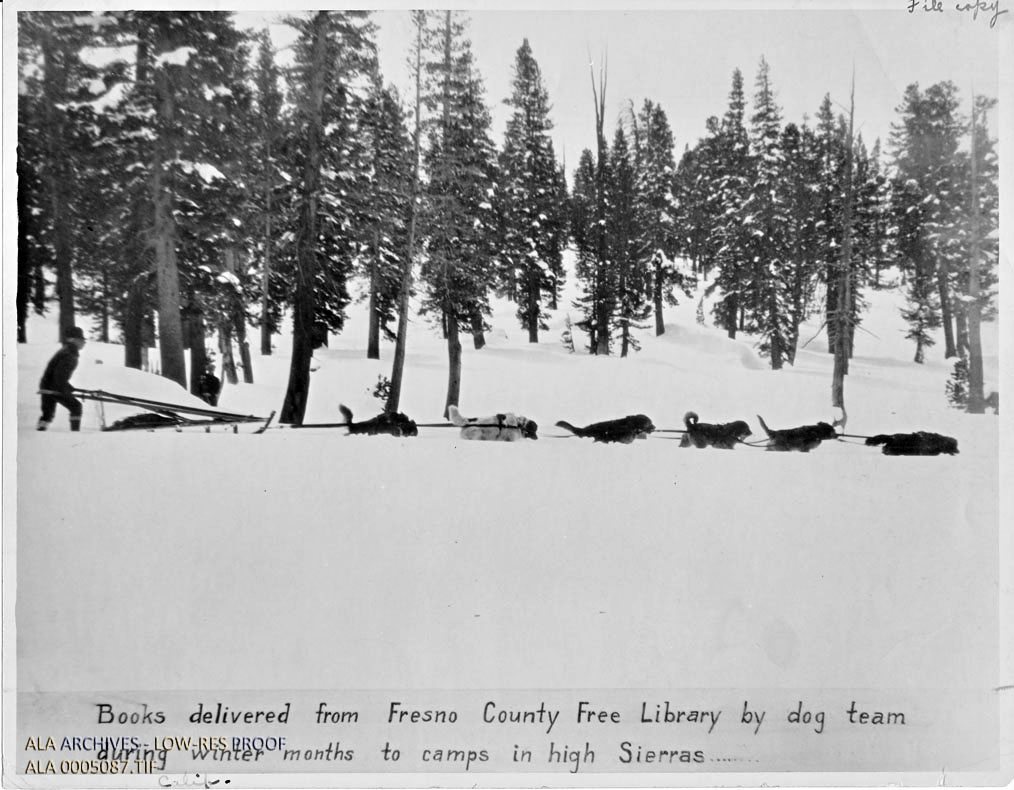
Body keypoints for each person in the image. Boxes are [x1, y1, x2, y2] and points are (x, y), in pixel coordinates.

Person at [38, 326, 86, 431]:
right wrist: (64, 390)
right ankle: (75, 434)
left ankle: (40, 431)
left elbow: (58, 375)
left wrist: (69, 387)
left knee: (47, 415)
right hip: (54, 387)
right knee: (76, 407)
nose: (84, 342)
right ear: (74, 340)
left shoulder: (65, 351)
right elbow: (59, 376)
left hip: (46, 385)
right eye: (82, 340)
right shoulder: (70, 355)